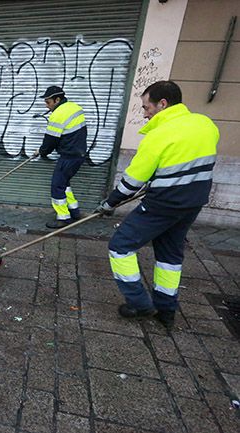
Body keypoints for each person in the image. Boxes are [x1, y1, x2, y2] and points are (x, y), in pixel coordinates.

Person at [95, 80, 219, 329]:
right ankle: (166, 310)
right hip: (193, 202)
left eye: (146, 107)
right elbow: (185, 162)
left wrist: (110, 203)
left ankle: (140, 303)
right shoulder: (206, 124)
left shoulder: (159, 135)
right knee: (169, 255)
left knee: (120, 246)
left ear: (162, 104)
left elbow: (133, 181)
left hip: (164, 204)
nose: (144, 113)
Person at [38, 86, 87, 228]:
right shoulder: (74, 107)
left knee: (57, 186)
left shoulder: (58, 115)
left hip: (69, 156)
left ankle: (63, 218)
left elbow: (50, 141)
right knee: (64, 183)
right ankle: (74, 211)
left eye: (48, 102)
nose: (46, 106)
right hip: (79, 154)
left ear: (57, 100)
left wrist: (42, 152)